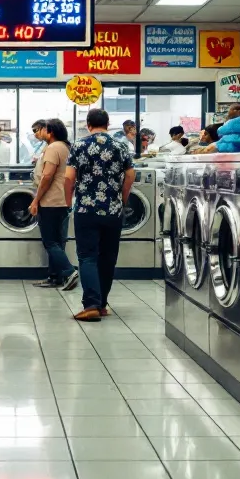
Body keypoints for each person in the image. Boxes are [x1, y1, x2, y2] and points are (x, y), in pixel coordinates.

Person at [65, 108, 135, 322]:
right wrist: (122, 199)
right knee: (108, 257)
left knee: (87, 256)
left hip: (86, 210)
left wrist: (68, 202)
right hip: (113, 210)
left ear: (88, 124)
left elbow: (69, 178)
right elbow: (130, 175)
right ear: (108, 124)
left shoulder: (79, 145)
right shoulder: (120, 146)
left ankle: (91, 305)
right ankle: (102, 304)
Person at [28, 118, 77, 290]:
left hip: (51, 201)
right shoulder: (65, 147)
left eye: (44, 129)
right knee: (58, 241)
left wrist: (36, 200)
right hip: (63, 200)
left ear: (51, 132)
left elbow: (47, 176)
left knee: (50, 242)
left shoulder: (53, 147)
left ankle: (69, 271)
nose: (40, 132)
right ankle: (56, 277)